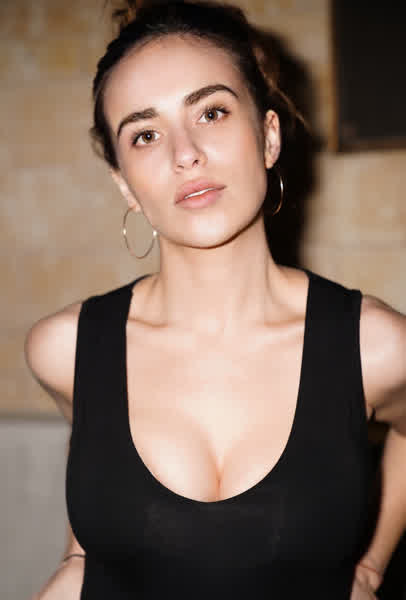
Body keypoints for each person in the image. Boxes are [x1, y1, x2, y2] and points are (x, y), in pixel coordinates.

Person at [25, 1, 406, 598]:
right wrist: (76, 559)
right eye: (145, 134)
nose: (185, 153)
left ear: (269, 136)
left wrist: (370, 566)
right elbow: (100, 483)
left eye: (211, 112)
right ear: (125, 184)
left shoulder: (374, 346)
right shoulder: (65, 348)